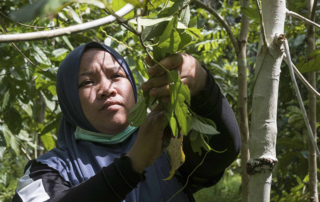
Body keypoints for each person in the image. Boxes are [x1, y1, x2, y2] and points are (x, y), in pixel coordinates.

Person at [12, 42, 240, 202]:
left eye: (116, 76)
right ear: (69, 100)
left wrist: (203, 85)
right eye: (87, 82)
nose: (106, 89)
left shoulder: (168, 142)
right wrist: (133, 164)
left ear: (133, 85)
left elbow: (223, 149)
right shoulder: (46, 171)